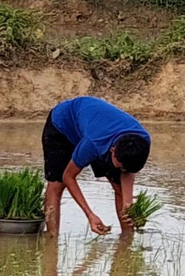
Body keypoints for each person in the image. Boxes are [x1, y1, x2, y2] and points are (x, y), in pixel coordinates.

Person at [42, 96, 151, 236]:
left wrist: (128, 202)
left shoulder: (142, 140)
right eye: (120, 167)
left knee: (120, 189)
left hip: (95, 126)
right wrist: (90, 215)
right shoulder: (94, 143)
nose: (122, 171)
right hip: (62, 126)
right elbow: (68, 176)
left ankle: (126, 241)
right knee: (57, 185)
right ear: (112, 151)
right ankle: (52, 239)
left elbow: (127, 171)